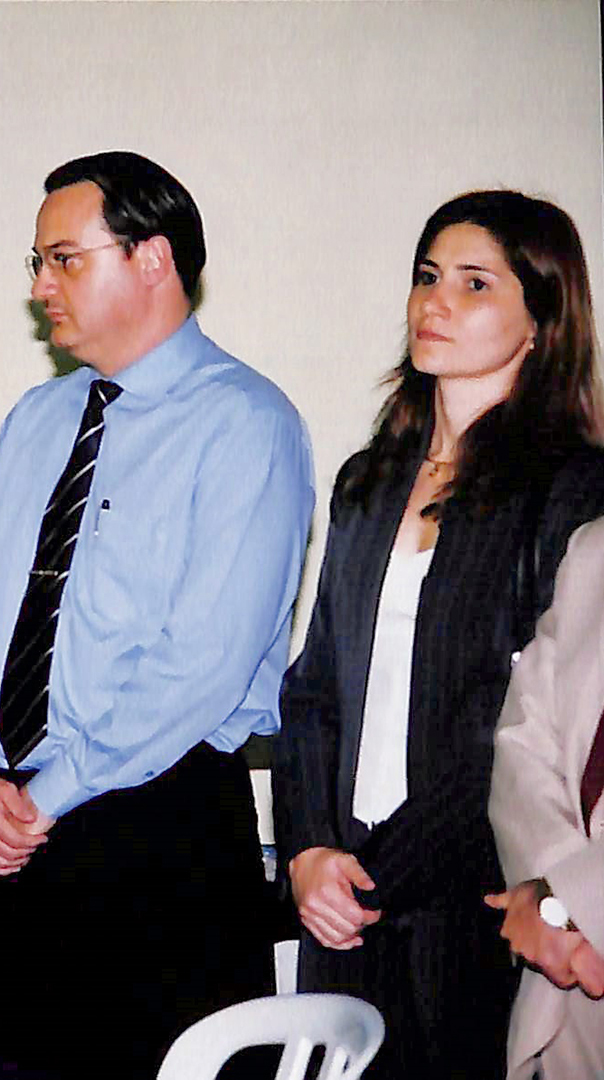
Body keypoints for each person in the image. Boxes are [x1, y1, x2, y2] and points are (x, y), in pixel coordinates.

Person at [0, 150, 314, 1075]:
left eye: (64, 260)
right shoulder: (35, 419)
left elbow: (202, 665)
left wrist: (43, 794)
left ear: (153, 258)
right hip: (21, 832)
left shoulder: (245, 421)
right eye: (38, 263)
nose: (40, 287)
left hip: (161, 831)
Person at [273, 190, 604, 1078]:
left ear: (541, 320)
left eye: (474, 283)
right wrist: (308, 851)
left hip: (483, 904)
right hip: (343, 898)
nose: (436, 301)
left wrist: (376, 873)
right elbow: (315, 688)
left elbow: (514, 724)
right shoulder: (369, 480)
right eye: (427, 276)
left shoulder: (571, 489)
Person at [490, 518, 604, 1080]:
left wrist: (577, 902)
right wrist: (555, 912)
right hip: (570, 987)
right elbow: (523, 738)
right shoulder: (592, 551)